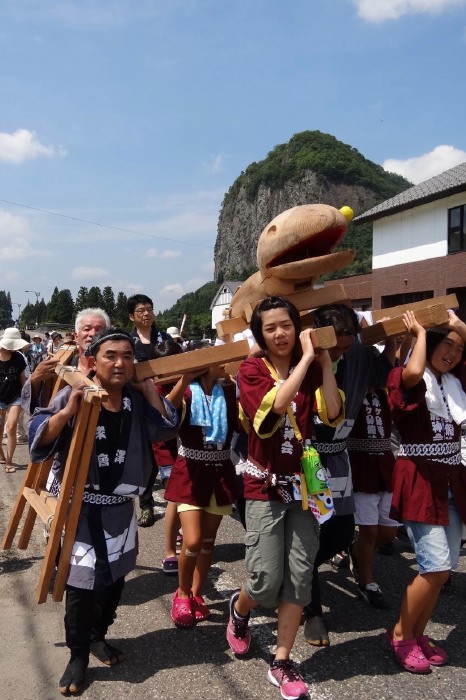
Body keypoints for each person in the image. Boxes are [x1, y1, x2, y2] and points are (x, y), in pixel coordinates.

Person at [29, 328, 178, 695]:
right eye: (111, 355)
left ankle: (99, 636)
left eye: (127, 356)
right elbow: (40, 432)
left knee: (114, 580)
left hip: (119, 508)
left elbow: (166, 430)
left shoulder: (135, 398)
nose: (120, 363)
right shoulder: (76, 390)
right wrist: (67, 412)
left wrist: (151, 394)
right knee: (81, 586)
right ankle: (77, 654)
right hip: (81, 508)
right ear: (93, 360)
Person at [226, 296, 343, 700]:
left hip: (305, 485)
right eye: (271, 327)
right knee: (262, 581)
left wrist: (324, 363)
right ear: (260, 334)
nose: (280, 333)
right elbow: (271, 413)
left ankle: (282, 661)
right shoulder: (251, 369)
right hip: (263, 487)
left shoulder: (311, 368)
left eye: (287, 325)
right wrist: (307, 359)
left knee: (299, 577)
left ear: (297, 327)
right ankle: (239, 612)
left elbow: (331, 413)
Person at [302, 303, 396, 647]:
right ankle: (312, 612)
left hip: (339, 457)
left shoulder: (359, 352)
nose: (342, 351)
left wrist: (393, 340)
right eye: (336, 346)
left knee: (341, 532)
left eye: (347, 344)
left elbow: (384, 375)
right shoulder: (304, 356)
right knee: (311, 533)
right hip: (308, 457)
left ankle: (299, 570)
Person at [385, 310, 466, 673]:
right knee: (433, 568)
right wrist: (418, 331)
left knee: (443, 570)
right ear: (429, 343)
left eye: (459, 348)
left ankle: (419, 633)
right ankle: (401, 634)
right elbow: (413, 373)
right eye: (446, 344)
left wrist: (458, 326)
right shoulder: (404, 377)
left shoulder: (455, 382)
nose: (453, 352)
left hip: (451, 479)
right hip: (419, 479)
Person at [164, 351, 238, 626]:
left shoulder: (229, 392)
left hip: (220, 472)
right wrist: (184, 379)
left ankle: (196, 594)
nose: (225, 364)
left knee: (207, 544)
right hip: (191, 473)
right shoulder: (187, 394)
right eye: (221, 360)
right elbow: (166, 414)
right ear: (207, 366)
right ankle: (181, 594)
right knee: (192, 540)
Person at [346, 386, 399, 608]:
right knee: (369, 530)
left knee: (389, 533)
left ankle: (356, 551)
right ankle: (367, 582)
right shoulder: (350, 390)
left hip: (386, 464)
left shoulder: (386, 393)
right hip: (361, 466)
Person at [127, 294, 172, 526]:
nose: (146, 314)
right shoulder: (128, 342)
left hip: (166, 400)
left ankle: (176, 500)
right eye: (141, 310)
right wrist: (143, 388)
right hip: (139, 401)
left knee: (168, 450)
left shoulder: (164, 337)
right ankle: (146, 505)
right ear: (131, 316)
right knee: (146, 455)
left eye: (149, 309)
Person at [0, 328, 29, 472]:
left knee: (11, 427)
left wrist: (27, 398)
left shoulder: (18, 357)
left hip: (15, 397)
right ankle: (1, 454)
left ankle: (9, 462)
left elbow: (23, 379)